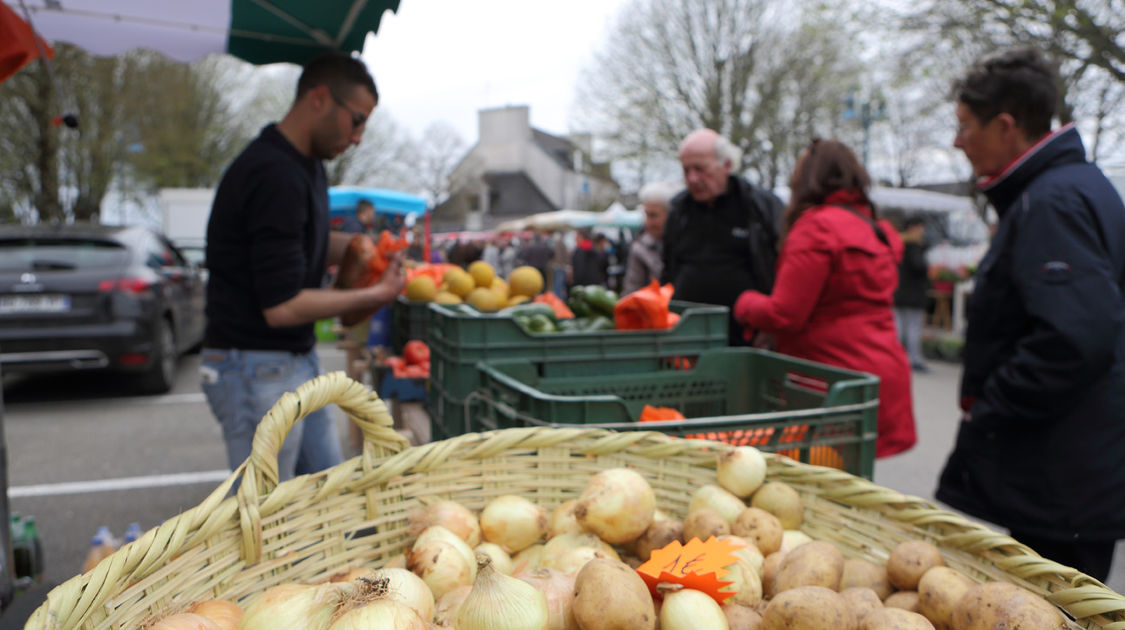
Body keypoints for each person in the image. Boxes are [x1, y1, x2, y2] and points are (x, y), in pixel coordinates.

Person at [935, 47, 1125, 582]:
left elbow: (1076, 336)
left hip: (1062, 475)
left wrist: (991, 408)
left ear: (1005, 126)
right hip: (1075, 467)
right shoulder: (1074, 186)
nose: (957, 141)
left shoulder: (1052, 201)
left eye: (965, 125)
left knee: (1055, 604)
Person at [200, 51, 405, 481]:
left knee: (325, 497)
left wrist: (359, 246)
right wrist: (377, 294)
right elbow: (283, 306)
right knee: (267, 520)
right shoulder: (274, 173)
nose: (358, 138)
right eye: (357, 120)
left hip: (292, 360)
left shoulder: (306, 165)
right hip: (253, 368)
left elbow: (301, 241)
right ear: (318, 99)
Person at [733, 139, 917, 459]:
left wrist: (744, 303)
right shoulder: (873, 228)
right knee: (853, 483)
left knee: (823, 482)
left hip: (832, 379)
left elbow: (785, 314)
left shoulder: (817, 227)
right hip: (878, 373)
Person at [661, 129, 783, 346]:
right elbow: (668, 268)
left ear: (726, 164)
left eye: (700, 169)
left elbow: (782, 266)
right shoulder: (679, 211)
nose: (692, 178)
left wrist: (772, 325)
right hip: (687, 333)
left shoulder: (759, 207)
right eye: (686, 170)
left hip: (746, 336)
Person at [623, 181, 675, 294]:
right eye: (647, 215)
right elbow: (632, 291)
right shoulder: (640, 249)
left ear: (671, 215)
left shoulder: (685, 243)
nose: (648, 223)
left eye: (653, 215)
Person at [894, 217, 930, 372]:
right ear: (914, 227)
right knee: (913, 328)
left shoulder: (897, 242)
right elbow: (918, 266)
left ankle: (895, 357)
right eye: (921, 227)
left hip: (898, 292)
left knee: (899, 327)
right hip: (912, 294)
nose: (923, 230)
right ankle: (913, 359)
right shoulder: (915, 245)